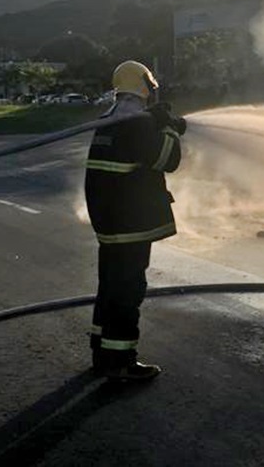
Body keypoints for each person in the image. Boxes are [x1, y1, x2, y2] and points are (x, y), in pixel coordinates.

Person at [84, 60, 187, 382]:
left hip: (109, 224)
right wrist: (168, 127)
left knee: (110, 287)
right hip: (129, 224)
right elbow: (168, 159)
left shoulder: (110, 120)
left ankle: (102, 353)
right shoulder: (137, 124)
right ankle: (121, 362)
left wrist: (158, 122)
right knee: (128, 291)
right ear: (146, 86)